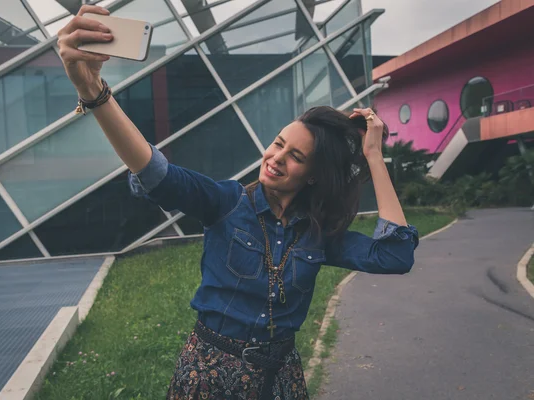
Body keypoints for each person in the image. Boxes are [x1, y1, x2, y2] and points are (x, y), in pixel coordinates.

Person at [57, 5, 419, 400]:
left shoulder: (318, 234)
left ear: (312, 176)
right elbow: (155, 171)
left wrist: (373, 157)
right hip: (208, 376)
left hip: (279, 380)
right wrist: (94, 93)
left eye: (295, 157)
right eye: (278, 144)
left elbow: (395, 256)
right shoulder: (225, 201)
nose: (276, 157)